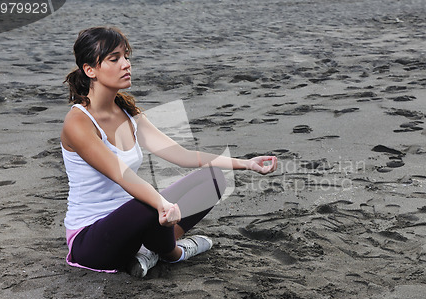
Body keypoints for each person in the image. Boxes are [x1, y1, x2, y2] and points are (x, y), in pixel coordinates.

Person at [60, 26, 278, 278]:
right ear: (90, 70)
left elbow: (182, 155)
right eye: (114, 59)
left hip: (135, 224)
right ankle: (174, 252)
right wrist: (162, 203)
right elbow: (121, 174)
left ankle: (148, 251)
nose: (126, 64)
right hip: (91, 242)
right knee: (149, 204)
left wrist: (246, 163)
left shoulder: (128, 114)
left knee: (215, 178)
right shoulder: (78, 123)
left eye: (126, 56)